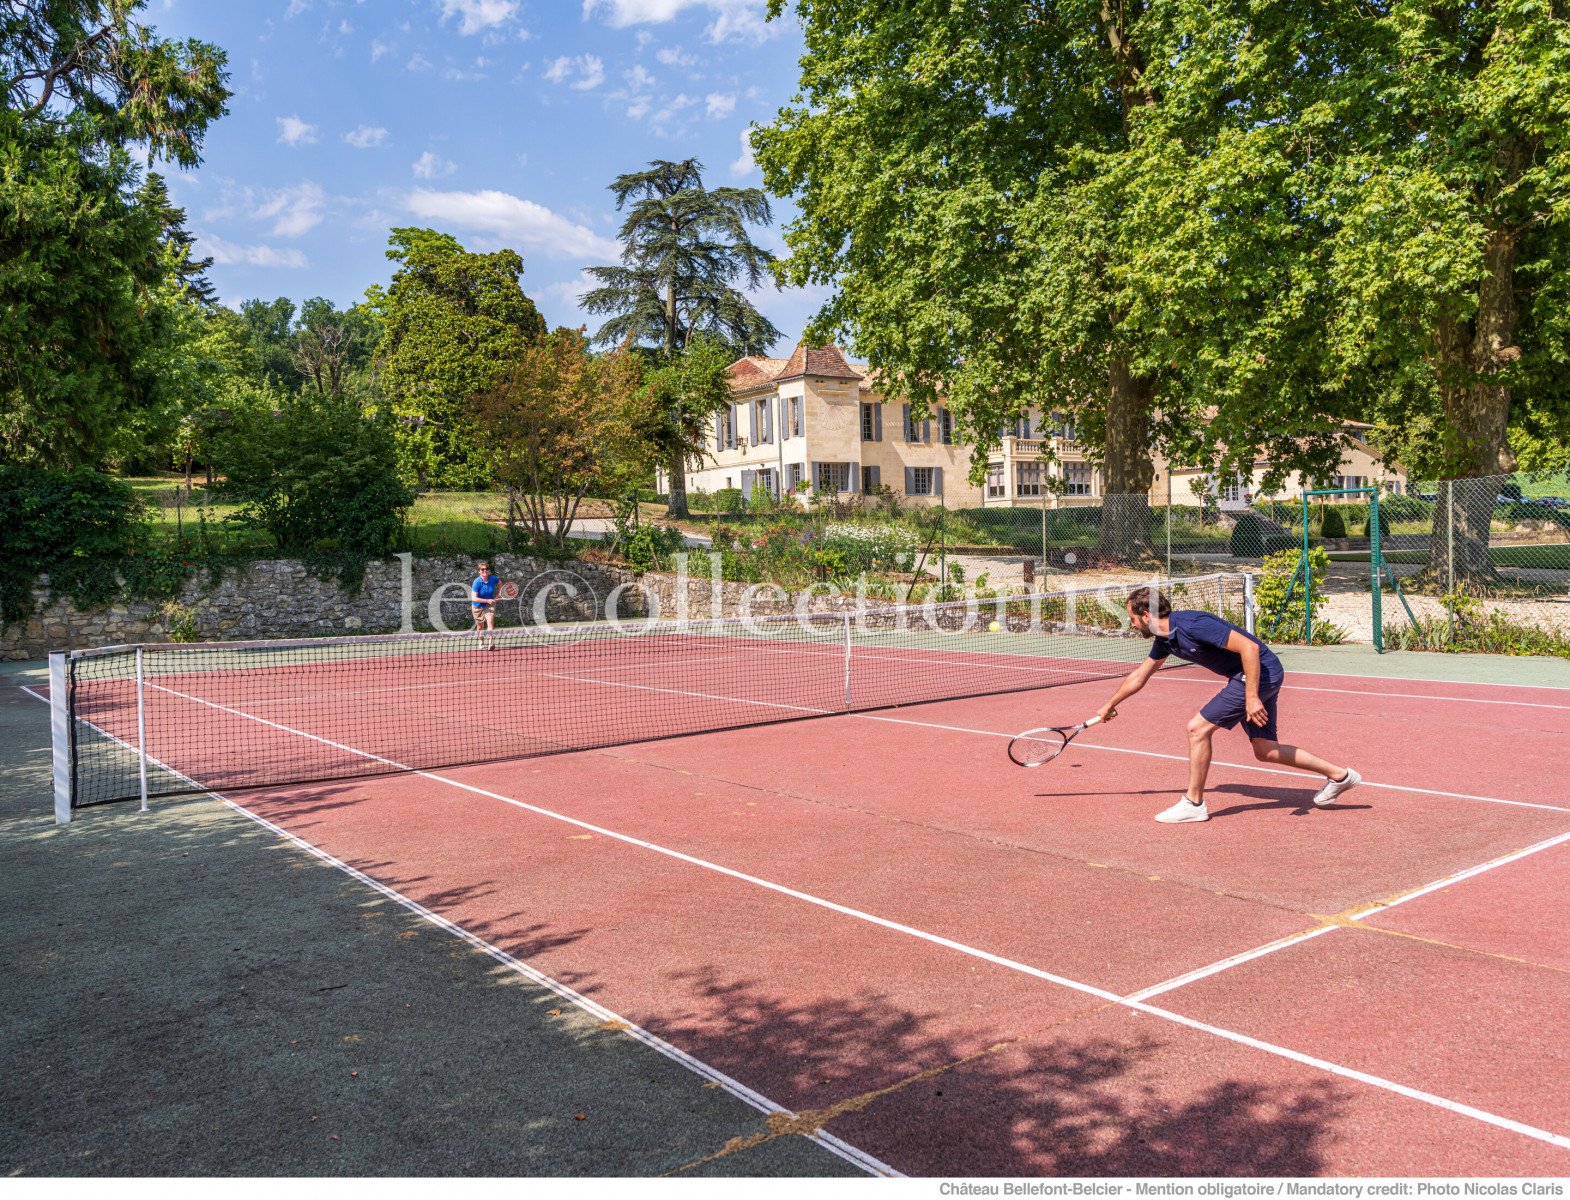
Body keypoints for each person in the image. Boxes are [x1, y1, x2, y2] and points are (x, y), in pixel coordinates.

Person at [1095, 587, 1360, 823]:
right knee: (1266, 750)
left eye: (1131, 618)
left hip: (1259, 673)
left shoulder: (1192, 624)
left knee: (1197, 729)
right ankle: (1340, 776)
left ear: (1145, 615)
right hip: (1257, 675)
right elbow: (1140, 675)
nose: (1131, 624)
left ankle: (1193, 803)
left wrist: (1252, 696)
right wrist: (1109, 705)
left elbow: (1250, 648)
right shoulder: (1165, 639)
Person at [470, 561, 499, 650]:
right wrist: (487, 600)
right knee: (480, 626)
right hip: (477, 606)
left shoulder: (493, 579)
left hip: (489, 605)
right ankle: (481, 641)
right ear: (479, 571)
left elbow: (500, 583)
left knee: (490, 622)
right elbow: (474, 598)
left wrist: (500, 594)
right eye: (482, 569)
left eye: (486, 569)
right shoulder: (476, 582)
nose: (485, 571)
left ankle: (490, 643)